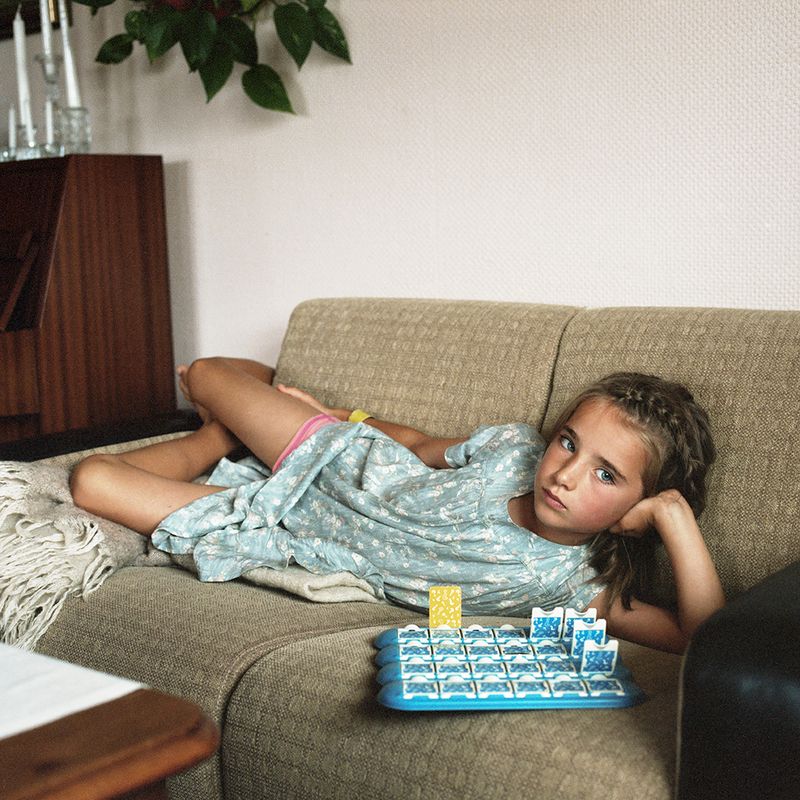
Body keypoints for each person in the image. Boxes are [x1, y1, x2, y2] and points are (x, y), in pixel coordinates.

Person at [69, 357, 725, 653]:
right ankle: (239, 428)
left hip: (294, 533)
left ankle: (219, 438)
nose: (566, 474)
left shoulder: (575, 589)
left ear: (635, 508)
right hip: (334, 456)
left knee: (92, 480)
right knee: (204, 372)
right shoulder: (512, 452)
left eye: (605, 474)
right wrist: (323, 415)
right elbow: (412, 445)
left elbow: (706, 642)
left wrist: (675, 521)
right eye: (569, 443)